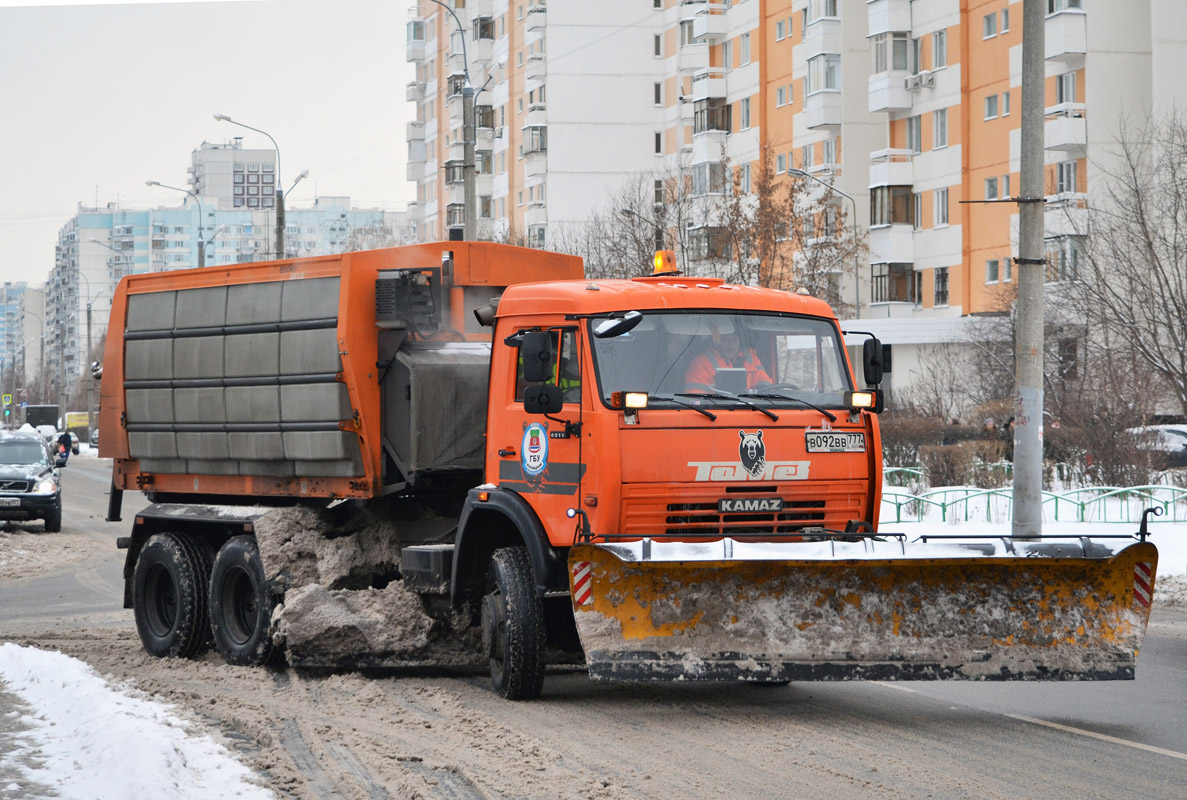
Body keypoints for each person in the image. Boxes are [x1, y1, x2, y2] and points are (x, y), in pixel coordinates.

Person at [684, 331, 772, 392]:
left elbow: (762, 379)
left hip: (751, 410)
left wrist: (762, 390)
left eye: (734, 339)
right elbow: (695, 398)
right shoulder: (701, 363)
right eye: (725, 340)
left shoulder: (750, 356)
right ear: (716, 342)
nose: (731, 345)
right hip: (715, 413)